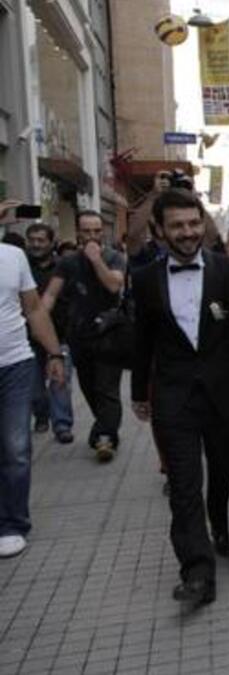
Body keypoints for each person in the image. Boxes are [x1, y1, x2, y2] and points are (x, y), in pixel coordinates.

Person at [128, 189, 229, 607]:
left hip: (224, 392)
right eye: (178, 225)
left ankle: (225, 532)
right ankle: (196, 571)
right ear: (159, 230)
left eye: (194, 224)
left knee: (225, 471)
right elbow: (143, 341)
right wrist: (140, 392)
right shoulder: (145, 279)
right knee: (184, 483)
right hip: (173, 395)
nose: (188, 233)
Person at [0, 205, 66, 559]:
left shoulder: (13, 257)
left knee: (16, 447)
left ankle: (11, 523)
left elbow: (34, 309)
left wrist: (54, 354)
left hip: (15, 363)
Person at [41, 211, 126, 462]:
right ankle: (105, 428)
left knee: (107, 388)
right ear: (78, 232)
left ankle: (105, 437)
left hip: (110, 334)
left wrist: (96, 260)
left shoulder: (114, 257)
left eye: (97, 231)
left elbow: (113, 285)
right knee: (90, 388)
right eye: (87, 231)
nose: (92, 236)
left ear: (103, 232)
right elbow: (51, 295)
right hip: (80, 335)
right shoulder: (67, 262)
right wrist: (40, 316)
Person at [25, 224, 74, 443]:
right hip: (28, 337)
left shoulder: (64, 266)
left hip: (60, 334)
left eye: (40, 240)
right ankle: (41, 416)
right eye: (32, 240)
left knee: (59, 381)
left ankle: (62, 424)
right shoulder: (22, 265)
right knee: (34, 386)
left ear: (51, 243)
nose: (36, 244)